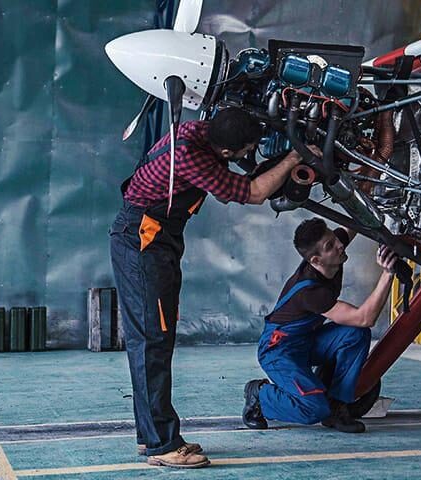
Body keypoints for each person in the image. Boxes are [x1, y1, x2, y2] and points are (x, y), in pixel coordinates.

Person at [110, 107, 318, 468]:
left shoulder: (199, 132)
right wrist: (296, 157)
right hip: (143, 242)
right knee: (152, 340)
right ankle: (162, 445)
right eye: (244, 151)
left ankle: (151, 436)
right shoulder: (191, 155)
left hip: (156, 239)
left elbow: (227, 187)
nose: (246, 157)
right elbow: (252, 193)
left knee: (155, 338)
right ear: (225, 152)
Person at [242, 217, 397, 434]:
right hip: (279, 352)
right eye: (330, 246)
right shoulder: (310, 291)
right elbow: (365, 317)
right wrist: (389, 273)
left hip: (306, 341)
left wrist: (371, 189)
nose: (339, 245)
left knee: (355, 334)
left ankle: (337, 406)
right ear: (316, 260)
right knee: (313, 409)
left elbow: (353, 222)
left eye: (335, 239)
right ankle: (260, 395)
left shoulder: (332, 255)